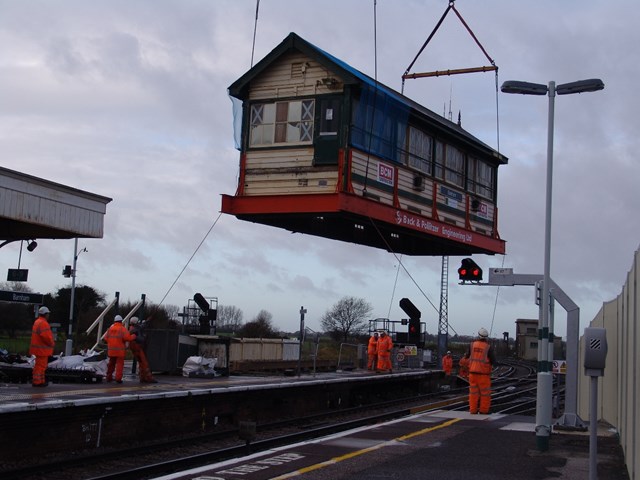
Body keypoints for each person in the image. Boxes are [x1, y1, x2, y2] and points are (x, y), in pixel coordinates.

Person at [466, 327, 496, 415]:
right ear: (486, 337)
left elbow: (466, 356)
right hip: (484, 375)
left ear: (478, 335)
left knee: (473, 393)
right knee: (485, 394)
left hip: (472, 374)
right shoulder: (488, 347)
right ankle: (483, 410)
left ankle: (473, 410)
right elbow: (493, 360)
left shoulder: (471, 345)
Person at [105, 315, 136, 383]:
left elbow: (105, 338)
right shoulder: (122, 329)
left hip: (111, 351)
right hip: (119, 351)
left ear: (114, 321)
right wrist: (134, 336)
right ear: (121, 321)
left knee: (111, 364)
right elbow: (128, 338)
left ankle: (108, 377)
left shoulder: (110, 329)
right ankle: (118, 378)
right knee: (119, 365)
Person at [30, 306, 55, 387]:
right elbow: (46, 337)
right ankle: (38, 382)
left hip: (38, 349)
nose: (49, 315)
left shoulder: (37, 322)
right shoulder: (44, 323)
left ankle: (39, 381)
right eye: (48, 314)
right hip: (42, 350)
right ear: (45, 314)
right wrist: (52, 343)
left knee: (39, 366)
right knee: (41, 366)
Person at [128, 317, 157, 383]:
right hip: (137, 348)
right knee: (144, 363)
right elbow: (139, 336)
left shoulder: (132, 329)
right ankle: (149, 378)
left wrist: (147, 321)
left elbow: (141, 326)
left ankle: (143, 377)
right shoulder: (135, 330)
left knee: (141, 363)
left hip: (135, 348)